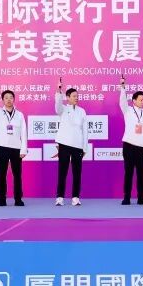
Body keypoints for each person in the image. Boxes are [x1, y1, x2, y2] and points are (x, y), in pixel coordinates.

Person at [0, 78, 28, 207]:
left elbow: (24, 132)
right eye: (6, 98)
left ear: (14, 99)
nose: (9, 100)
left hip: (16, 147)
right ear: (2, 100)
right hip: (2, 146)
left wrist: (23, 149)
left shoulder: (19, 114)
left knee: (17, 175)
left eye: (11, 97)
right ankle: (2, 199)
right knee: (2, 174)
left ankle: (18, 199)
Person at [119, 75, 143, 205]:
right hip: (129, 146)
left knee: (141, 174)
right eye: (140, 100)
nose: (142, 102)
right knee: (128, 173)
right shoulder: (127, 110)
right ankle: (126, 198)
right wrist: (123, 88)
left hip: (142, 147)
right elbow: (122, 101)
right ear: (134, 100)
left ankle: (140, 198)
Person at [54, 78, 88, 206]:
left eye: (77, 96)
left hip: (78, 146)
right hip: (64, 144)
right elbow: (57, 105)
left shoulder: (82, 111)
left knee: (77, 173)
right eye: (74, 96)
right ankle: (60, 197)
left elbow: (85, 131)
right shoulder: (62, 109)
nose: (76, 98)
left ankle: (75, 197)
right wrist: (58, 91)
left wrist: (85, 148)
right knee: (62, 172)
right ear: (67, 97)